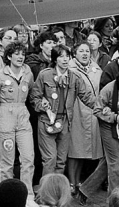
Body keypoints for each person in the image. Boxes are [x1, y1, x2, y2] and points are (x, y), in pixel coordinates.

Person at [78, 65, 119, 203]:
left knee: (108, 162)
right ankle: (113, 201)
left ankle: (84, 191)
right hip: (108, 126)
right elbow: (97, 110)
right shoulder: (108, 89)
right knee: (116, 163)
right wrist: (113, 117)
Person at [30, 45, 95, 176]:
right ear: (55, 59)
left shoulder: (75, 77)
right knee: (50, 159)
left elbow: (87, 97)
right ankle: (46, 194)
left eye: (67, 56)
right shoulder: (45, 75)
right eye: (61, 56)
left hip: (65, 121)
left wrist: (103, 107)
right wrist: (44, 106)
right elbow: (34, 97)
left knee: (61, 161)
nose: (65, 59)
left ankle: (57, 192)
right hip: (46, 121)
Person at [0, 41, 37, 200]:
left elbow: (32, 93)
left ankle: (28, 196)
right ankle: (6, 197)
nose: (20, 57)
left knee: (28, 158)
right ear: (9, 56)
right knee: (6, 161)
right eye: (16, 54)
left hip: (23, 116)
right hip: (5, 116)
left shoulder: (28, 73)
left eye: (23, 54)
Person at [67, 42, 103, 195]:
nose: (84, 54)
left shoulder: (97, 69)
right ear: (75, 53)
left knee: (84, 151)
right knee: (74, 148)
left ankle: (79, 182)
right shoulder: (69, 69)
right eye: (81, 51)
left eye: (87, 51)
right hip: (76, 111)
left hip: (92, 112)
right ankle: (71, 182)